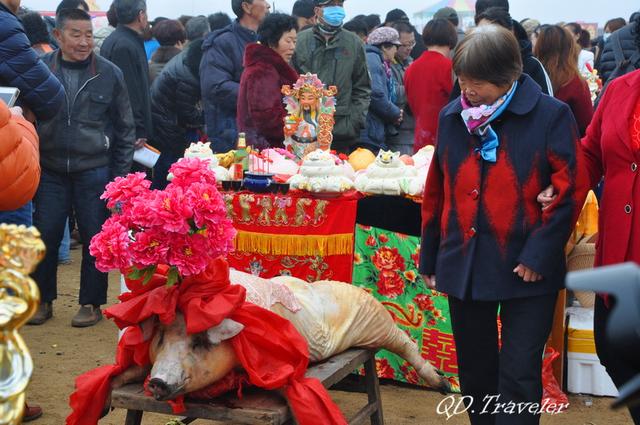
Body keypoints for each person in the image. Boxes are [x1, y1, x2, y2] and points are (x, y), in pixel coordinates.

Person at [420, 25, 587, 425]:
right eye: (462, 78)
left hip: (526, 265)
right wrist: (431, 255)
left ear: (508, 76)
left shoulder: (551, 115)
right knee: (476, 370)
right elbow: (436, 189)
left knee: (518, 371)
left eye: (477, 82)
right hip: (466, 260)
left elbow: (569, 190)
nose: (468, 89)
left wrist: (539, 254)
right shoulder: (453, 115)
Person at [30, 8, 135, 328]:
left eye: (88, 34)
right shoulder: (41, 70)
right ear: (58, 36)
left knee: (94, 237)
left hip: (94, 168)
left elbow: (125, 128)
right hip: (50, 168)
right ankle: (42, 300)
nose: (84, 41)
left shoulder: (109, 72)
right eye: (75, 34)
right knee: (45, 235)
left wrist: (118, 177)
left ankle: (91, 302)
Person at [0, 0, 65, 228]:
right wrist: (17, 118)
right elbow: (50, 96)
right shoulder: (4, 23)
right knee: (12, 259)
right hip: (7, 167)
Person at [293, 0, 371, 153]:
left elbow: (362, 87)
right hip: (305, 131)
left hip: (342, 131)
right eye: (329, 5)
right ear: (317, 11)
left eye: (339, 5)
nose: (336, 9)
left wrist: (354, 121)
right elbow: (289, 83)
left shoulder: (353, 42)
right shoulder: (300, 41)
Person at [200, 0, 269, 152]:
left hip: (263, 131)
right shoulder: (222, 42)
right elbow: (216, 86)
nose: (268, 5)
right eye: (263, 0)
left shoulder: (266, 40)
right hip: (232, 133)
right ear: (246, 7)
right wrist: (258, 94)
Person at [150, 36, 207, 188]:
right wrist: (205, 118)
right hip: (170, 127)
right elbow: (188, 113)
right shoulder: (187, 78)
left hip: (167, 121)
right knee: (171, 172)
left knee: (167, 168)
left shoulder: (186, 60)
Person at [237, 13, 299, 150]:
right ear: (271, 41)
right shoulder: (263, 71)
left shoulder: (270, 66)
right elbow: (268, 119)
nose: (292, 47)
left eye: (295, 41)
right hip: (267, 150)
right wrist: (299, 124)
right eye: (288, 41)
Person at [101, 0, 153, 152]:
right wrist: (138, 128)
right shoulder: (125, 44)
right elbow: (130, 90)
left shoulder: (117, 39)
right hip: (126, 130)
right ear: (141, 15)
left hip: (119, 125)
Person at [405, 18, 457, 152]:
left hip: (419, 139)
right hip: (446, 139)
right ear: (451, 39)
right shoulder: (449, 68)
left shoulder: (411, 68)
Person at [534, 25, 593, 136]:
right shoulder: (574, 82)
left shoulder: (529, 75)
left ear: (539, 46)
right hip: (565, 144)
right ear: (569, 47)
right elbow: (586, 124)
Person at [360, 27, 402, 153]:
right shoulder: (372, 60)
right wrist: (395, 112)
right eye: (396, 46)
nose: (396, 51)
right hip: (369, 132)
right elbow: (376, 94)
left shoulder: (377, 60)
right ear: (385, 46)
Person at [387, 21, 416, 154]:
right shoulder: (387, 65)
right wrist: (416, 89)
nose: (409, 48)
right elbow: (391, 92)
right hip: (397, 133)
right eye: (404, 45)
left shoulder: (411, 61)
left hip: (413, 129)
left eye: (412, 43)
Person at [598, 13, 640, 82]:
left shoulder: (613, 39)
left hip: (619, 89)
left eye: (608, 31)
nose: (606, 34)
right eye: (606, 32)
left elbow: (606, 75)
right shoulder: (607, 43)